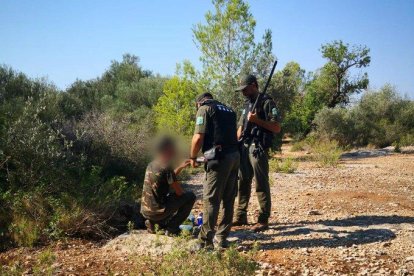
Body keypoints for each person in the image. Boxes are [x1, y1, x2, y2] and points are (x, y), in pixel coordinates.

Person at [190, 92, 240, 248]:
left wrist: (192, 157)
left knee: (211, 199)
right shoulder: (228, 110)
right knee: (228, 199)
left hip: (219, 159)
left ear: (199, 102)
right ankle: (222, 238)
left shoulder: (204, 109)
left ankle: (205, 242)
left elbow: (198, 137)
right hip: (234, 156)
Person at [234, 74, 281, 232]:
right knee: (243, 181)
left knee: (261, 183)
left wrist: (257, 121)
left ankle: (263, 219)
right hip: (244, 146)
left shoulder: (267, 102)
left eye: (245, 89)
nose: (243, 92)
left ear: (254, 85)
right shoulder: (247, 104)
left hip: (258, 147)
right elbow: (240, 127)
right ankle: (240, 216)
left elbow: (276, 127)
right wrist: (235, 144)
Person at [140, 136, 196, 235]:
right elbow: (179, 192)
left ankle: (153, 223)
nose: (174, 150)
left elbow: (165, 177)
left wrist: (180, 167)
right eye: (173, 148)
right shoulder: (167, 167)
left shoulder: (151, 164)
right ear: (167, 149)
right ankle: (172, 228)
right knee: (190, 196)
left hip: (146, 212)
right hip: (158, 212)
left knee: (164, 200)